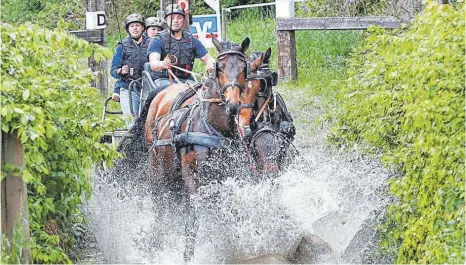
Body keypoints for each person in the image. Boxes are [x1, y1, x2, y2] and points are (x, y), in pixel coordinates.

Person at [147, 4, 215, 94]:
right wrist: (163, 63)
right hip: (163, 80)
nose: (176, 21)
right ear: (165, 20)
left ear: (183, 20)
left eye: (179, 17)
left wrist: (211, 65)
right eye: (172, 18)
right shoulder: (158, 40)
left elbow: (208, 58)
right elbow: (153, 64)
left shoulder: (191, 39)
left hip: (186, 80)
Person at [110, 13, 151, 127]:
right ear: (128, 29)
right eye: (132, 26)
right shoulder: (121, 46)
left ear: (143, 28)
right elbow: (113, 70)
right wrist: (120, 71)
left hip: (148, 88)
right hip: (128, 88)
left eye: (137, 25)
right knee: (132, 124)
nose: (135, 28)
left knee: (148, 123)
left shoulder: (152, 43)